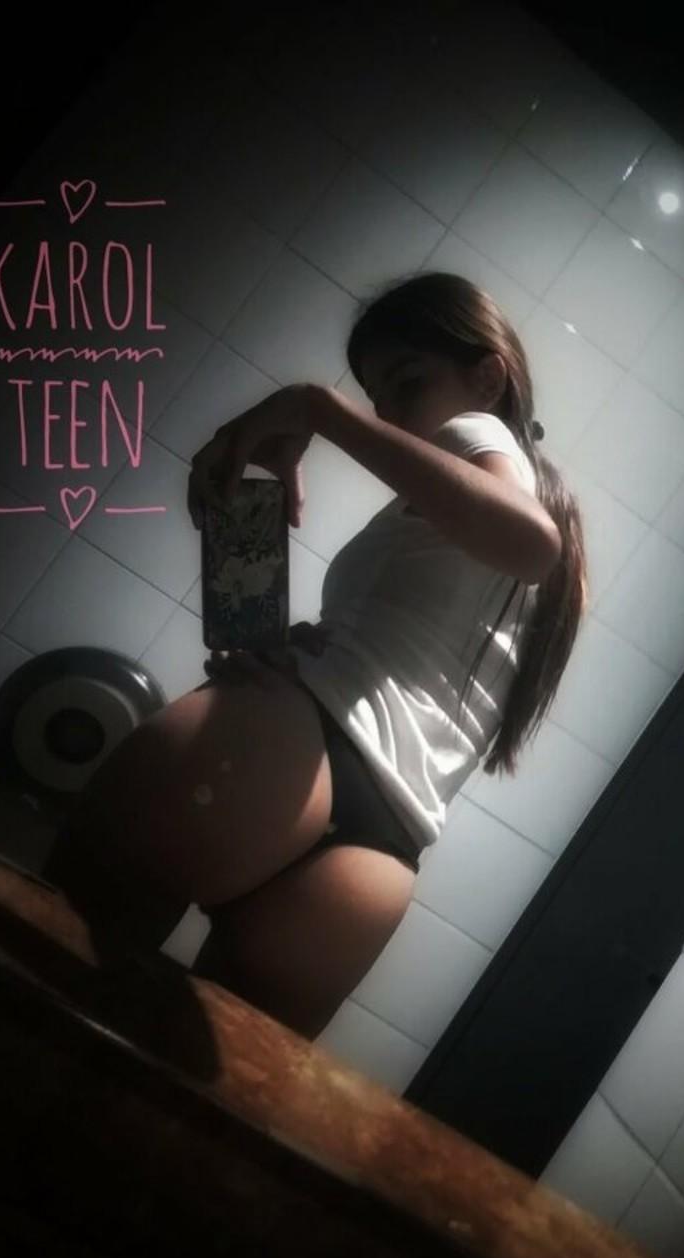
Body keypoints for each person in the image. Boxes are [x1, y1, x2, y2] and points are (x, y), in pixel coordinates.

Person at [41, 272, 589, 1040]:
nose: (392, 414)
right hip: (380, 856)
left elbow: (528, 541)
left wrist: (316, 408)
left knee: (34, 986)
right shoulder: (528, 534)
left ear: (488, 377)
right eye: (377, 398)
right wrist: (316, 649)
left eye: (408, 383)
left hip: (278, 759)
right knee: (176, 1097)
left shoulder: (478, 434)